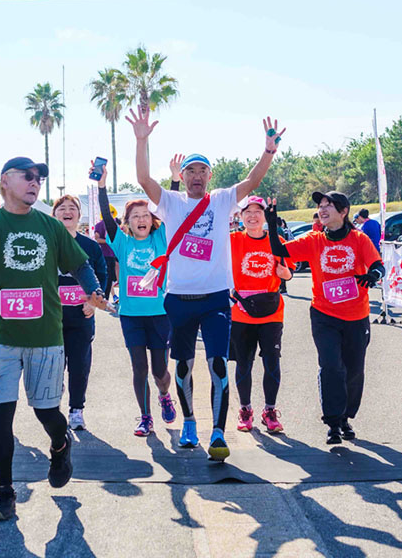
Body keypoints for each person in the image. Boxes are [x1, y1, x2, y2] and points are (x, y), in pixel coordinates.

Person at [0, 156, 105, 521]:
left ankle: (60, 446)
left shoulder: (50, 226)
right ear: (5, 180)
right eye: (27, 176)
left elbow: (80, 264)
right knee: (1, 416)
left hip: (45, 337)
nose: (35, 182)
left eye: (38, 178)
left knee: (47, 412)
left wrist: (93, 290)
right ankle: (5, 492)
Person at [129, 105, 285, 462]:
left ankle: (217, 431)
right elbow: (144, 180)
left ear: (210, 176)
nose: (197, 176)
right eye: (191, 171)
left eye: (202, 171)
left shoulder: (222, 200)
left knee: (217, 365)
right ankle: (189, 423)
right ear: (183, 176)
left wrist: (268, 151)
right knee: (183, 366)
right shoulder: (170, 202)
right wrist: (141, 141)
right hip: (179, 299)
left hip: (215, 298)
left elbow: (252, 182)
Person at [267, 191, 385, 445]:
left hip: (356, 315)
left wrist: (373, 276)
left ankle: (345, 417)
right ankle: (333, 422)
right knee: (331, 366)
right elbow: (279, 249)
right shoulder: (314, 240)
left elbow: (378, 265)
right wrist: (271, 223)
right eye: (320, 205)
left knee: (353, 370)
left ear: (343, 211)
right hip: (324, 314)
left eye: (328, 205)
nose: (322, 209)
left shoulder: (359, 239)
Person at [96, 162, 178, 436]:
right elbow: (106, 217)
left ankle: (164, 395)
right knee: (139, 368)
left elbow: (170, 211)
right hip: (131, 316)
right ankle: (145, 417)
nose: (141, 219)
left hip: (160, 314)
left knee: (159, 371)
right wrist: (102, 186)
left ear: (152, 220)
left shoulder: (161, 238)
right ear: (128, 223)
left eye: (145, 215)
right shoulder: (122, 243)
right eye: (135, 216)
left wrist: (174, 182)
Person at [229, 196, 293, 434]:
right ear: (240, 216)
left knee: (272, 362)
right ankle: (245, 410)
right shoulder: (232, 240)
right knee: (244, 363)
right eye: (248, 212)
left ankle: (270, 411)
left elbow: (288, 274)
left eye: (258, 211)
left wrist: (285, 274)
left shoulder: (277, 241)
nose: (253, 216)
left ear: (265, 216)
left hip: (271, 312)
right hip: (241, 312)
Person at [51, 193, 108, 431]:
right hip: (51, 319)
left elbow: (102, 276)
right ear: (54, 215)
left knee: (79, 366)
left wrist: (93, 302)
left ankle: (76, 410)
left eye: (72, 208)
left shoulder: (90, 246)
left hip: (81, 316)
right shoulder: (47, 243)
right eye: (62, 208)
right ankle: (52, 408)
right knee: (53, 366)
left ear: (79, 215)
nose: (67, 212)